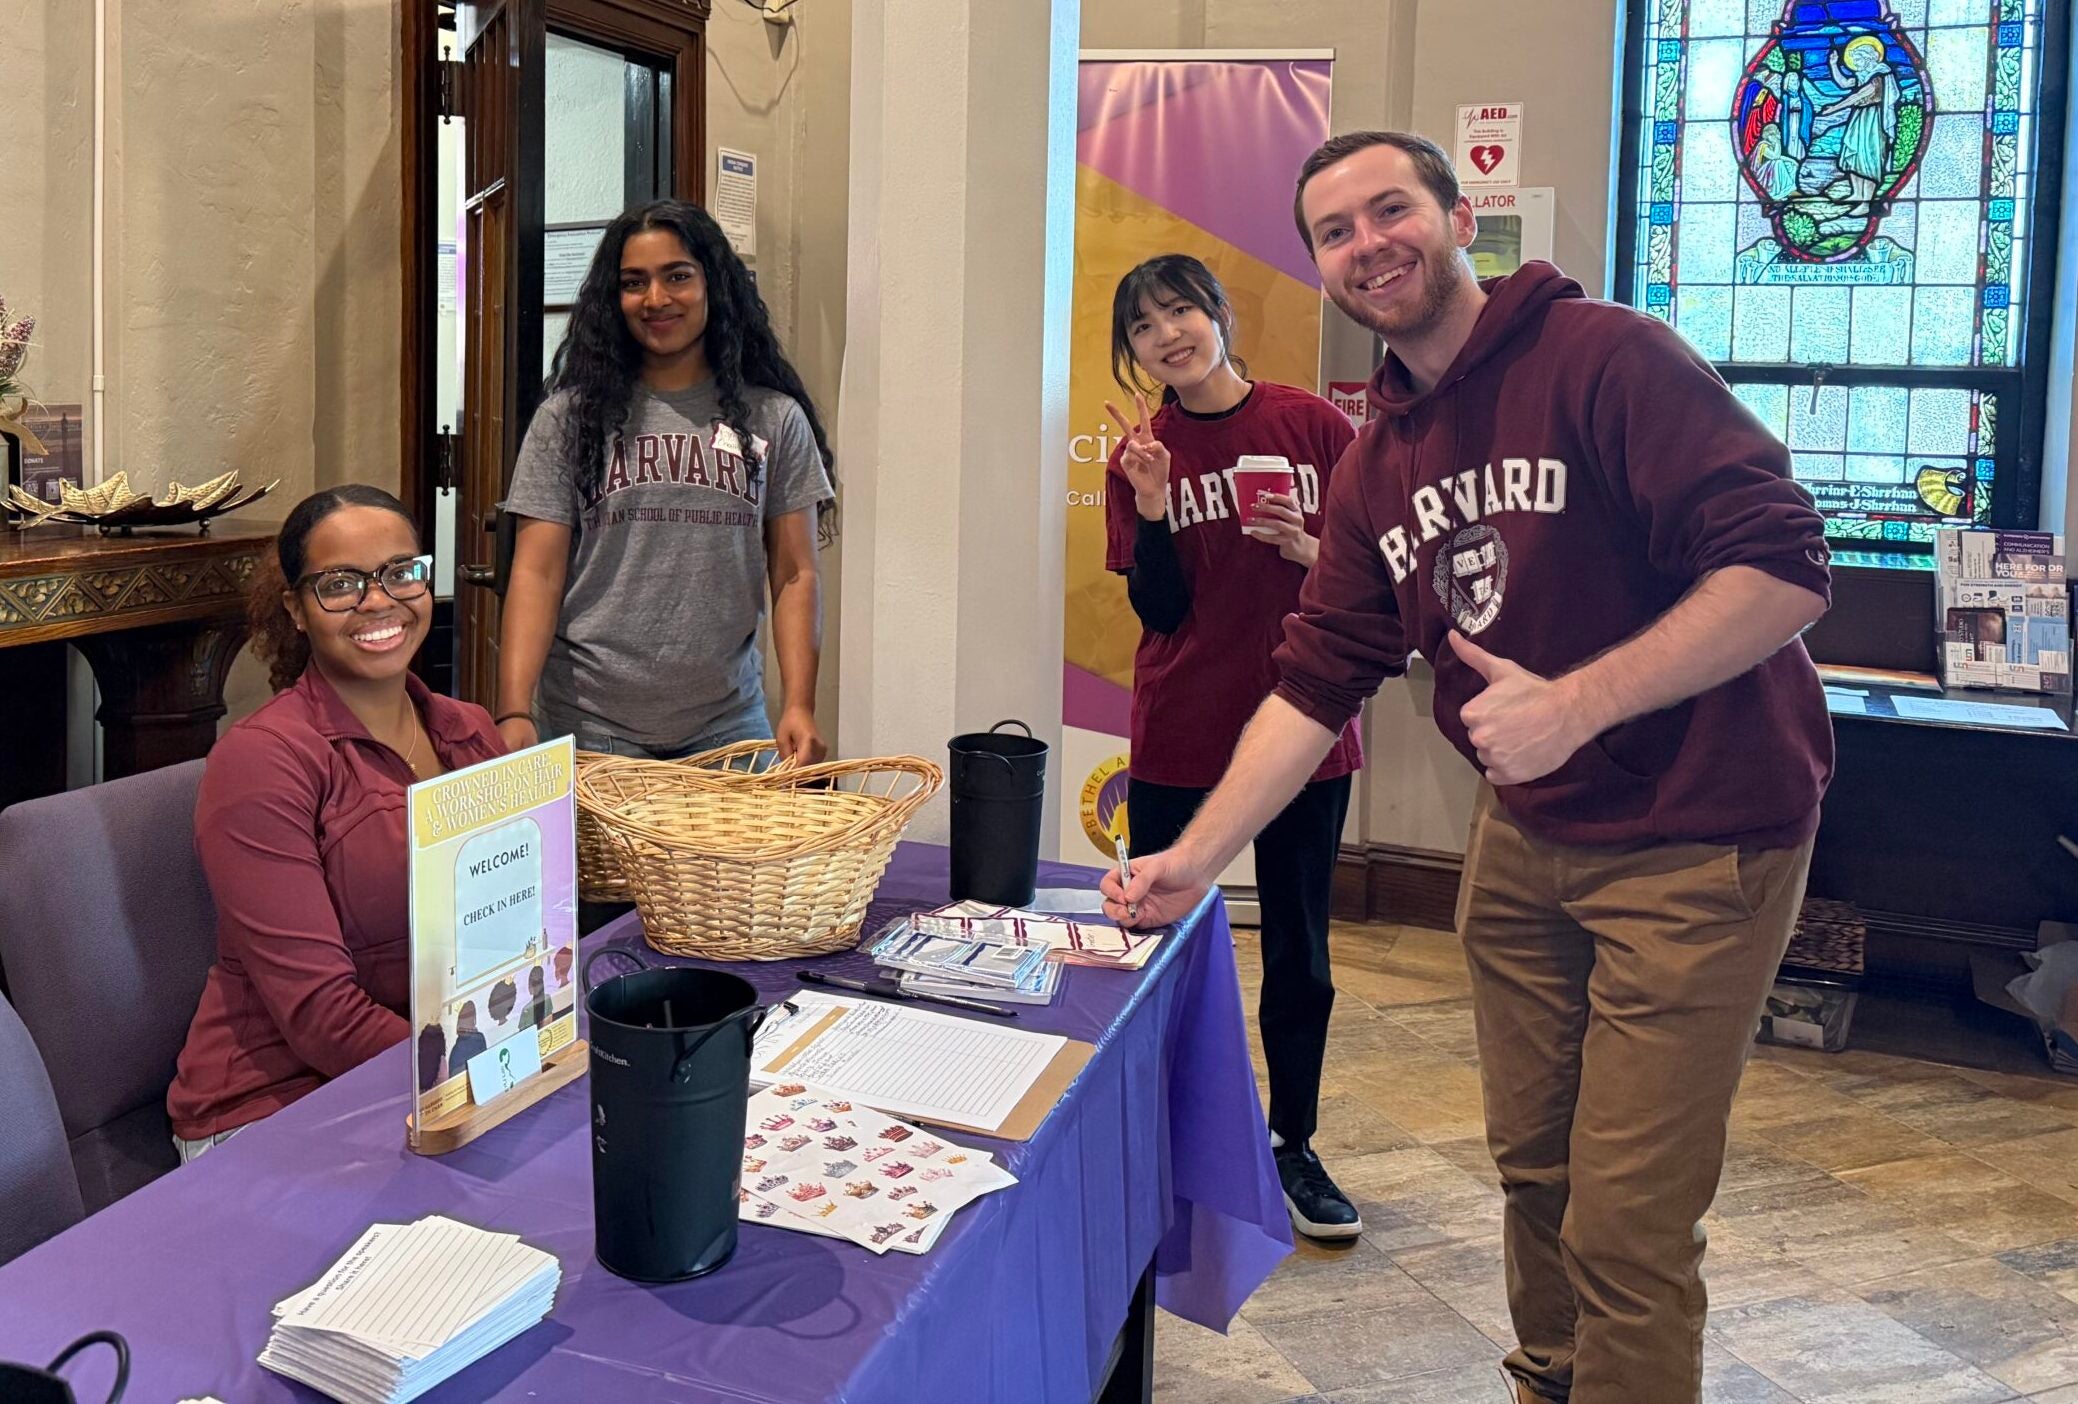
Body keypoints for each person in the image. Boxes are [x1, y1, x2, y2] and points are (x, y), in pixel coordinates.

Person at [1101, 131, 1832, 1404]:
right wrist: (1193, 862)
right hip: (1525, 842)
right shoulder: (1378, 457)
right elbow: (1313, 673)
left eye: (1391, 210)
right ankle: (1546, 1380)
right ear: (1317, 265)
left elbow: (1782, 567)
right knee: (1536, 1174)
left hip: (1696, 833)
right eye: (1334, 230)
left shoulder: (1603, 357)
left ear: (1452, 219)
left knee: (1627, 1225)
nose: (1367, 243)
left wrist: (1579, 703)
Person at [1099, 253, 1363, 1240]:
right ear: (1131, 352)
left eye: (1180, 311)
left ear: (1217, 316)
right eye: (1142, 326)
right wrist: (1158, 505)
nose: (1168, 334)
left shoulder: (1311, 427)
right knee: (1160, 946)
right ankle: (1157, 1141)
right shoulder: (1136, 456)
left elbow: (1372, 581)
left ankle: (1291, 1143)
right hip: (1181, 733)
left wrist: (1307, 548)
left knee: (1300, 951)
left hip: (1302, 733)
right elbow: (1160, 609)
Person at [168, 486, 505, 1161]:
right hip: (274, 1105)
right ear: (295, 609)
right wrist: (474, 1074)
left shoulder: (469, 731)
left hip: (433, 1072)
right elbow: (322, 1019)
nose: (378, 601)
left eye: (402, 572)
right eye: (340, 584)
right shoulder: (261, 763)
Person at [498, 199, 837, 765]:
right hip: (591, 727)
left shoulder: (774, 418)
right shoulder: (568, 418)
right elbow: (537, 571)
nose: (655, 299)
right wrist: (512, 709)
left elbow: (796, 572)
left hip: (730, 729)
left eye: (677, 276)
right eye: (634, 283)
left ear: (713, 284)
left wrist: (799, 705)